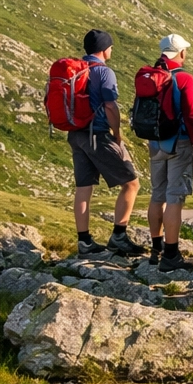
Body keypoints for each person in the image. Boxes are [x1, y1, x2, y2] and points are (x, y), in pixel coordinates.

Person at [71, 29, 145, 256]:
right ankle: (119, 236)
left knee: (84, 187)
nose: (111, 50)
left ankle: (84, 242)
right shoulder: (103, 72)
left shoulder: (74, 70)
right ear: (104, 49)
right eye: (110, 47)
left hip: (76, 134)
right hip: (99, 133)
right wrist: (117, 133)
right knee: (132, 183)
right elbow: (111, 106)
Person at [145, 34, 193, 271]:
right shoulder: (184, 78)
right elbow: (191, 115)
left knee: (157, 194)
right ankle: (171, 255)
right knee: (174, 198)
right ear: (180, 53)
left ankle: (156, 248)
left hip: (155, 142)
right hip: (178, 143)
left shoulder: (150, 76)